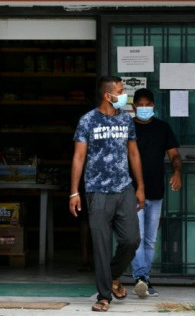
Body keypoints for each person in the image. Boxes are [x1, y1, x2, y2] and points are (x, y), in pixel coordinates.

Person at [70, 75, 146, 312]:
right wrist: (74, 192)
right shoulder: (88, 121)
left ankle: (112, 276)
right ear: (108, 95)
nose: (125, 96)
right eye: (121, 91)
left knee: (132, 239)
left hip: (124, 189)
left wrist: (140, 186)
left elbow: (133, 154)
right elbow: (79, 157)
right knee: (101, 245)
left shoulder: (126, 120)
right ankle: (104, 296)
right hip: (97, 191)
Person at [128, 88, 182, 297]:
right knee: (136, 237)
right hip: (132, 191)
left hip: (156, 191)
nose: (143, 108)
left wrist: (177, 171)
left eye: (147, 105)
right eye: (139, 105)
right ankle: (141, 278)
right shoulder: (127, 128)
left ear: (153, 106)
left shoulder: (163, 128)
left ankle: (144, 279)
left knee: (150, 239)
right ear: (133, 108)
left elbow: (174, 154)